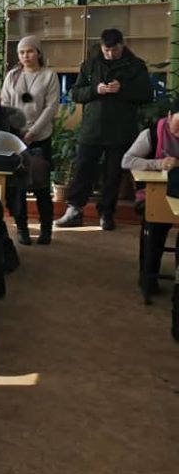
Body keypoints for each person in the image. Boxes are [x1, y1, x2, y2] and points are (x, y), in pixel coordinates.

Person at [56, 28, 152, 230]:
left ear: (122, 45)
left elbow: (146, 94)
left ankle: (107, 214)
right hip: (92, 128)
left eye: (114, 50)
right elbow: (75, 94)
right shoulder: (90, 64)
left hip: (121, 129)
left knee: (113, 175)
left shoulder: (135, 65)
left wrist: (122, 89)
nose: (110, 54)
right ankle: (74, 210)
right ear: (101, 47)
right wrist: (95, 89)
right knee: (83, 170)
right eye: (106, 50)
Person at [1, 36, 60, 245]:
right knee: (17, 187)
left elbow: (51, 107)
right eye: (22, 52)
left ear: (38, 53)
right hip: (16, 138)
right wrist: (15, 130)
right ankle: (22, 229)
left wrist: (33, 132)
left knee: (41, 185)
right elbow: (5, 104)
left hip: (40, 137)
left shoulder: (49, 75)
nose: (26, 56)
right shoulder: (12, 75)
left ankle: (46, 229)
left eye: (30, 51)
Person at [121, 97, 179, 303]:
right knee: (155, 228)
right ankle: (148, 278)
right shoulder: (152, 134)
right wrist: (159, 164)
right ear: (169, 116)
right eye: (177, 127)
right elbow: (127, 161)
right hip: (154, 193)